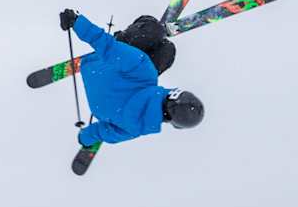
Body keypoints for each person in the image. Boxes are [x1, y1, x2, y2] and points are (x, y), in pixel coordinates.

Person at [59, 9, 204, 148]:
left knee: (159, 36)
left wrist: (76, 22)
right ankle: (155, 38)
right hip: (96, 101)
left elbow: (108, 47)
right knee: (164, 51)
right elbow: (102, 132)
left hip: (97, 63)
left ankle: (150, 33)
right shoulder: (135, 129)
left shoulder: (144, 72)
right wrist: (84, 139)